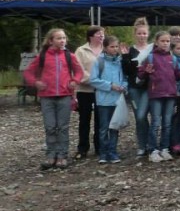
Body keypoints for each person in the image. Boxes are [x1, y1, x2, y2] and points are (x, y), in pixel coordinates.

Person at [24, 28, 83, 170]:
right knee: (50, 127)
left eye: (64, 38)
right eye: (58, 38)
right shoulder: (43, 56)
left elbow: (79, 71)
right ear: (51, 40)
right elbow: (28, 72)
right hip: (47, 97)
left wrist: (75, 80)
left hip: (64, 96)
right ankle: (50, 155)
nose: (62, 40)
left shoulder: (70, 56)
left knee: (63, 127)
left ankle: (62, 155)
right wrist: (35, 82)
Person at [139, 31, 180, 162]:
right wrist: (146, 72)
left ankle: (164, 148)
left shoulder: (172, 58)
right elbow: (140, 75)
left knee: (167, 123)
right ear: (156, 42)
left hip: (170, 94)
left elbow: (178, 76)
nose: (165, 43)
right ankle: (153, 150)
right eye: (162, 41)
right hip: (156, 94)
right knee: (156, 122)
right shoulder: (150, 57)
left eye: (167, 41)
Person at [89, 35, 127, 164]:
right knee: (104, 127)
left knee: (114, 127)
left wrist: (124, 86)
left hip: (117, 100)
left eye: (116, 46)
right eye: (112, 46)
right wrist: (110, 86)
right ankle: (103, 153)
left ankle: (113, 151)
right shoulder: (99, 61)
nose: (115, 49)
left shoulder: (120, 61)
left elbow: (125, 78)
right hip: (103, 100)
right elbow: (93, 80)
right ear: (105, 47)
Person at [121, 17, 152, 157]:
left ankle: (150, 143)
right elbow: (127, 71)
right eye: (139, 33)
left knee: (142, 115)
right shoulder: (130, 50)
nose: (142, 36)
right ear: (135, 34)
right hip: (134, 87)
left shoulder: (152, 49)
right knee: (140, 117)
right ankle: (142, 144)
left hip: (149, 87)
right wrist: (126, 58)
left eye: (144, 33)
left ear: (148, 34)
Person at [74, 25, 105, 159]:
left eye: (103, 34)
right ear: (91, 36)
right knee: (84, 119)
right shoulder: (81, 50)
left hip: (103, 91)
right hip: (85, 90)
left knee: (101, 120)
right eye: (98, 34)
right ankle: (82, 148)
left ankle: (99, 146)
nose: (101, 36)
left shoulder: (107, 49)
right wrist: (94, 80)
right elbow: (78, 69)